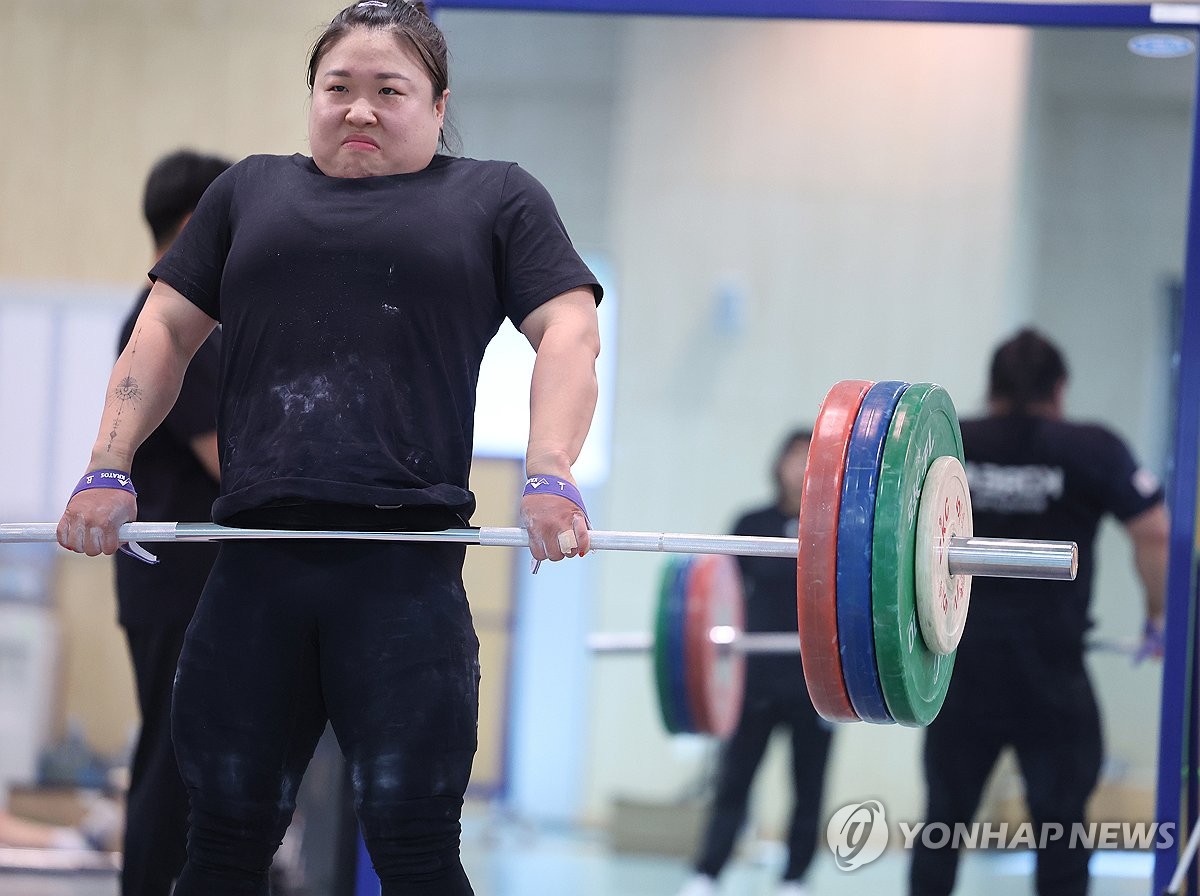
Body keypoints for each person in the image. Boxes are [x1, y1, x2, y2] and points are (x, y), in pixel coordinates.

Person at [55, 2, 602, 894]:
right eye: (337, 88)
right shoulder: (248, 192)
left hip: (404, 570)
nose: (359, 109)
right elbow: (163, 328)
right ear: (311, 96)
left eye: (390, 90)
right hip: (255, 567)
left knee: (416, 845)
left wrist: (550, 468)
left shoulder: (495, 196)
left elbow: (570, 329)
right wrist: (107, 465)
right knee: (222, 841)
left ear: (436, 103)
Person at [909, 328, 1169, 896]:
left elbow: (891, 545)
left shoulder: (951, 445)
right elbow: (1155, 533)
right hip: (1050, 676)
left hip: (959, 670)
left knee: (942, 828)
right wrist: (1157, 620)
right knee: (1061, 833)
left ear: (992, 386)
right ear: (1060, 388)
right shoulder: (1091, 448)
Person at [114, 148, 231, 896]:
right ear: (195, 225)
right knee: (174, 758)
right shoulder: (173, 321)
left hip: (182, 584)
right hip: (176, 581)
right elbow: (230, 462)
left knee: (191, 756)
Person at [677, 430, 833, 896]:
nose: (801, 467)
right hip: (755, 678)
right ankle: (708, 872)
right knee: (735, 780)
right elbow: (718, 596)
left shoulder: (837, 527)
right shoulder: (751, 521)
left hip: (816, 682)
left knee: (809, 785)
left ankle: (795, 878)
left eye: (812, 459)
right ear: (779, 464)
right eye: (795, 457)